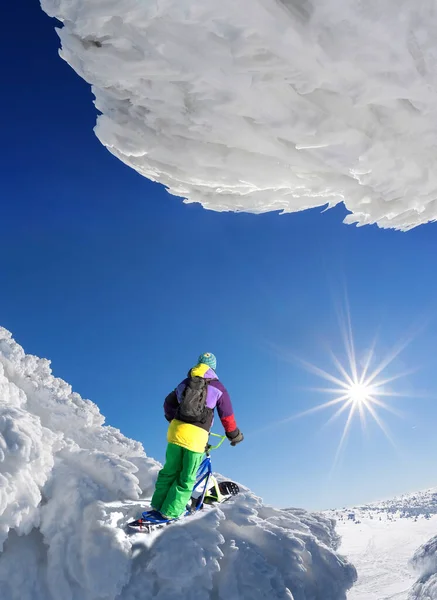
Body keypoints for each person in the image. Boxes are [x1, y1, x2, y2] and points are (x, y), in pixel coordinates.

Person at [151, 352, 243, 520]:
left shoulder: (184, 383)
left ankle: (157, 505)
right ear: (213, 368)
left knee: (169, 471)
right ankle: (170, 512)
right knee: (186, 478)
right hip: (196, 437)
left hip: (175, 432)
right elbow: (227, 416)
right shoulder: (218, 387)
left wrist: (172, 419)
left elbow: (168, 402)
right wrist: (234, 435)